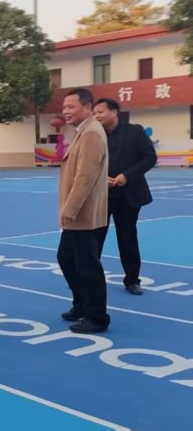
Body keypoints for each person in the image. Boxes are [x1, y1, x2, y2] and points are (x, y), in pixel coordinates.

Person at [57, 88, 110, 334]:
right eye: (64, 107)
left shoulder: (91, 133)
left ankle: (97, 316)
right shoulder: (83, 131)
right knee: (66, 258)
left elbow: (85, 177)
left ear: (87, 107)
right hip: (77, 214)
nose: (66, 111)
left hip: (83, 215)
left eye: (71, 106)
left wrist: (71, 208)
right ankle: (81, 304)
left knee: (88, 266)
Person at [93, 98, 157, 296]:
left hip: (129, 195)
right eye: (94, 113)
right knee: (95, 238)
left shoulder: (135, 132)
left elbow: (150, 158)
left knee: (127, 237)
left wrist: (126, 176)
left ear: (114, 112)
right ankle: (90, 279)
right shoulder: (94, 135)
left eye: (100, 112)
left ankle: (132, 280)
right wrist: (100, 178)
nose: (96, 116)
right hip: (101, 195)